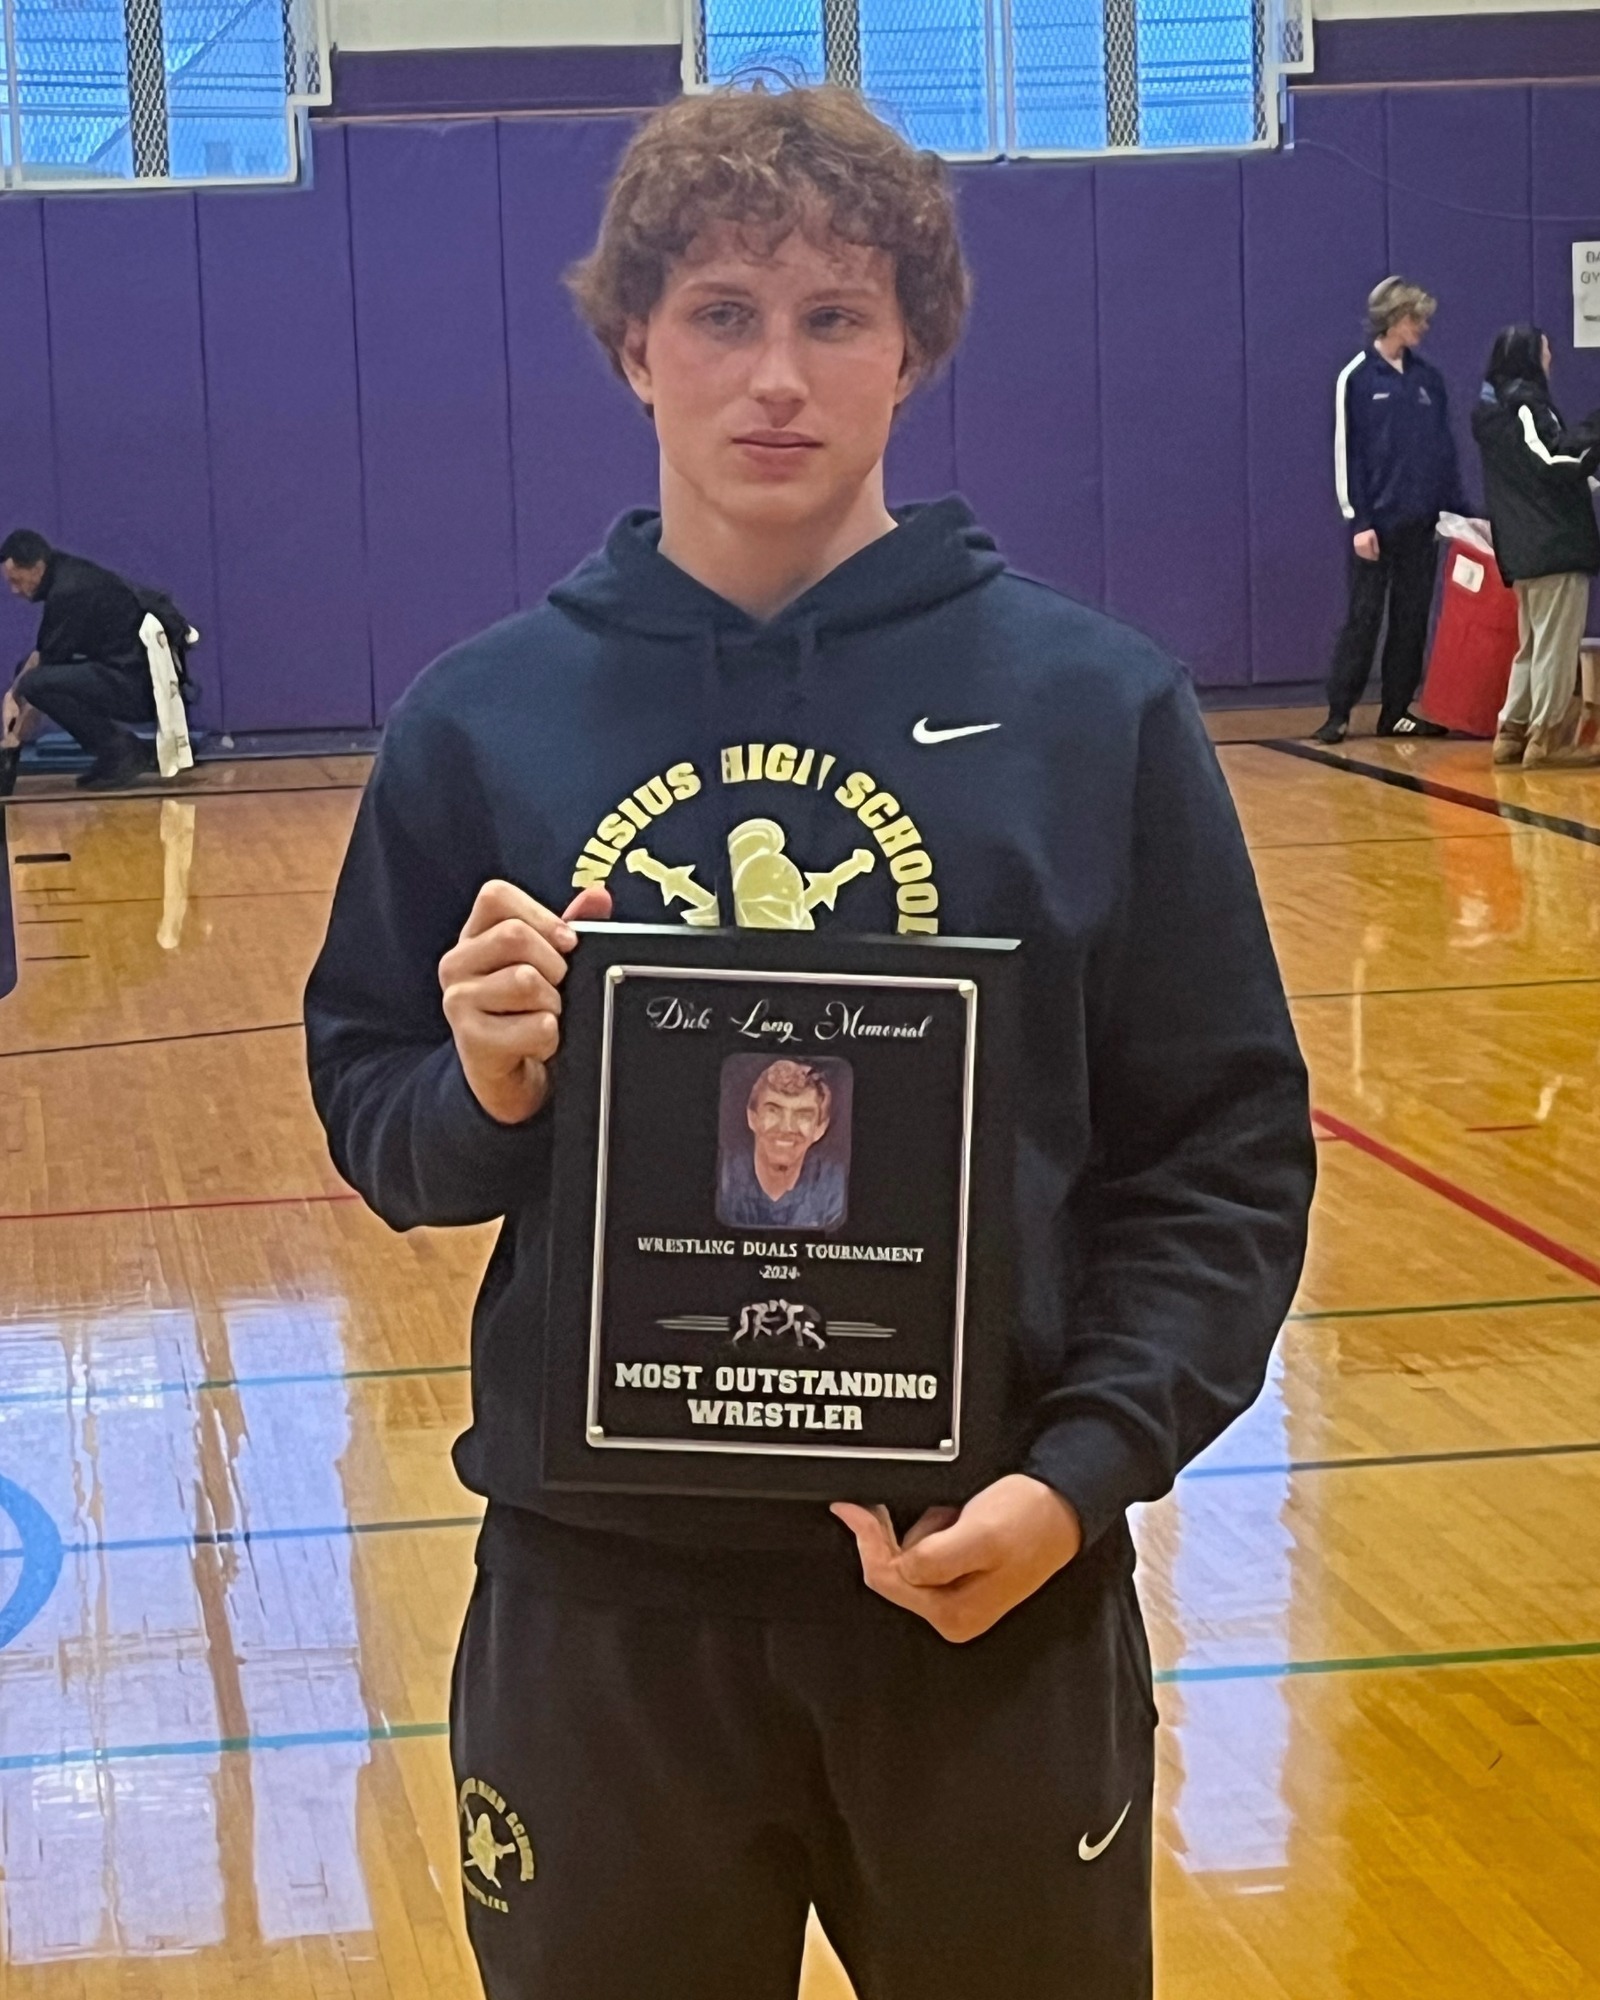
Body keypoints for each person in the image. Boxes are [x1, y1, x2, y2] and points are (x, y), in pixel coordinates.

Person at [304, 83, 1315, 2000]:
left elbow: (1221, 1157)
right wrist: (488, 1087)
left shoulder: (1094, 711)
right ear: (633, 346)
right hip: (602, 1609)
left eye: (834, 316)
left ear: (914, 349)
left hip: (986, 1586)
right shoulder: (480, 722)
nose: (775, 375)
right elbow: (380, 1113)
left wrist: (1078, 1476)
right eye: (720, 315)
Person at [1314, 277, 1470, 745]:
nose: (1422, 327)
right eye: (1414, 318)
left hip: (1420, 523)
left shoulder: (1428, 380)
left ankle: (1397, 709)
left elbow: (1443, 451)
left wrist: (1455, 512)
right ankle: (1339, 712)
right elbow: (1348, 453)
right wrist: (1358, 520)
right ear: (1392, 319)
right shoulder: (1357, 377)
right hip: (1375, 526)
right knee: (1364, 619)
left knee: (1410, 618)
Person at [1471, 324, 1600, 770]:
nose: (1551, 358)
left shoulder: (1494, 407)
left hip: (1526, 542)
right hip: (1552, 541)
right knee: (1555, 644)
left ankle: (1512, 730)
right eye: (1545, 351)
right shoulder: (1524, 404)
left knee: (1534, 642)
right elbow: (1552, 460)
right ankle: (1548, 735)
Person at [1, 529, 155, 789]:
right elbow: (40, 657)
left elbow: (41, 673)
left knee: (35, 683)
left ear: (37, 567)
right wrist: (11, 697)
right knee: (27, 674)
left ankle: (123, 751)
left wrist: (13, 739)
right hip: (124, 673)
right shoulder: (65, 573)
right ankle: (115, 751)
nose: (14, 591)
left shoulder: (69, 591)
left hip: (139, 687)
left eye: (17, 581)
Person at [720, 1058, 846, 1229]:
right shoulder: (723, 1180)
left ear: (820, 1128)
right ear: (752, 1117)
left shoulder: (836, 1192)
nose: (787, 1128)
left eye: (803, 1115)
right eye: (773, 1111)